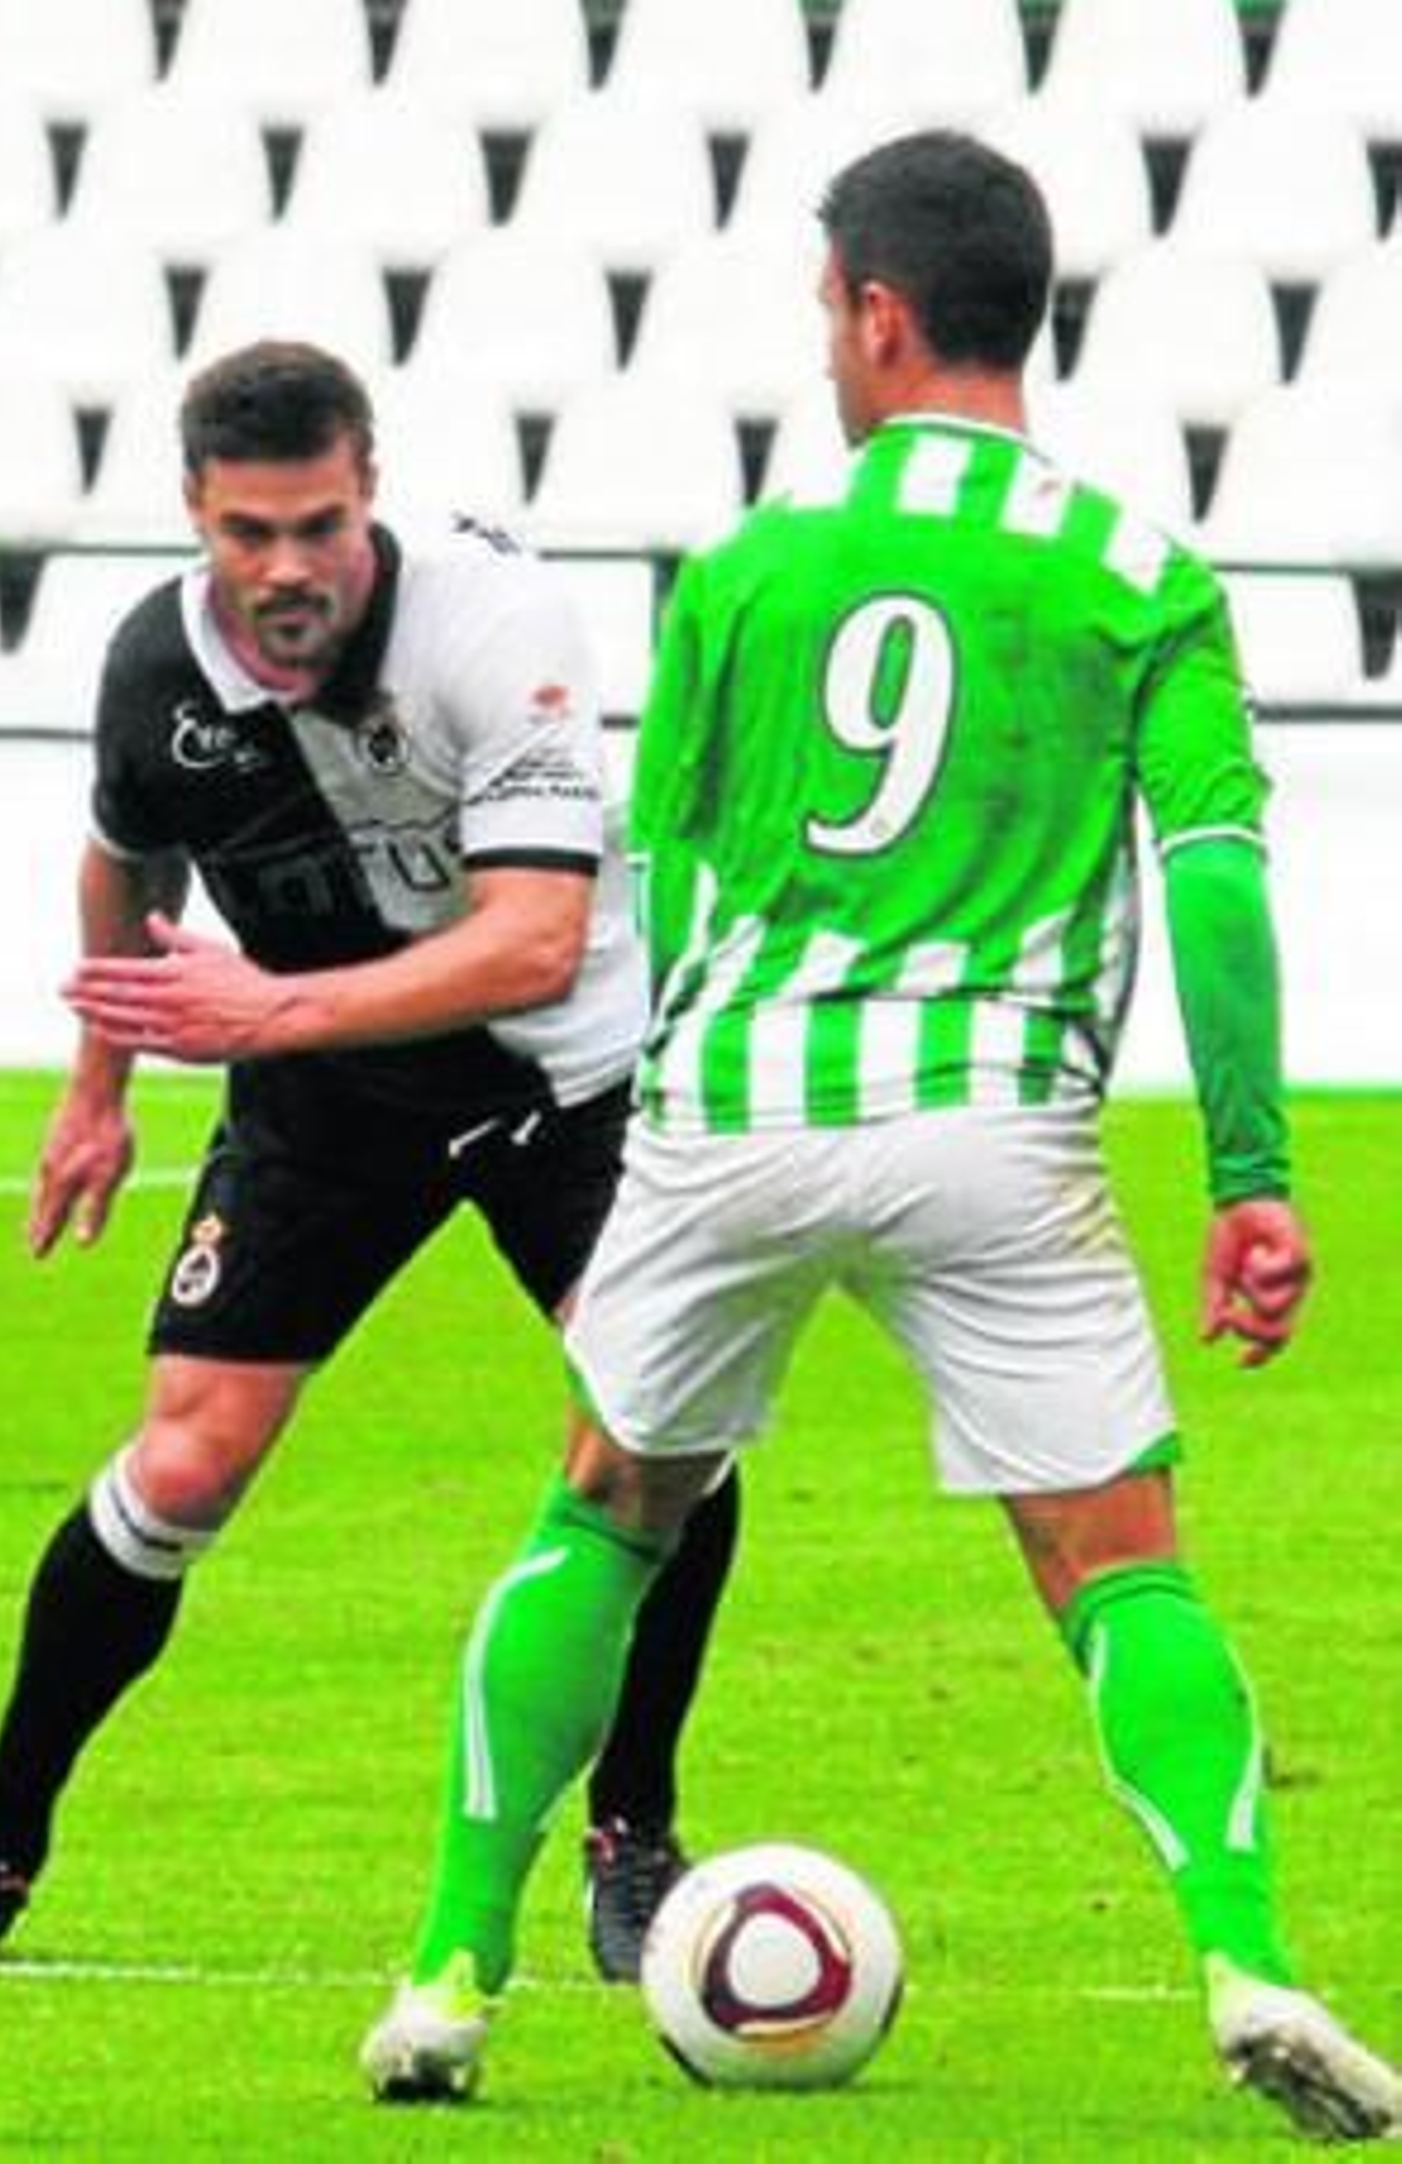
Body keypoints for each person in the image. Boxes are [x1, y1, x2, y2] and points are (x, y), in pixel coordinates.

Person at [360, 133, 1402, 2142]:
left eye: (826, 312)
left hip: (737, 1098)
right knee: (1118, 1567)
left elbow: (665, 867)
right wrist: (1251, 1175)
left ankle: (445, 1976)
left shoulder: (747, 568)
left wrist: (678, 1098)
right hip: (990, 1118)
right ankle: (1247, 1956)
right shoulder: (1136, 577)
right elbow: (1211, 878)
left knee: (602, 1511)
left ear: (878, 310)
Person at [0, 340, 738, 1981]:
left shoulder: (494, 623)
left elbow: (536, 940)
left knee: (655, 1431)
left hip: (560, 1077)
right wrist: (98, 1089)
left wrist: (268, 1011)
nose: (288, 570)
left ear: (371, 494)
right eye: (249, 533)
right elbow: (124, 862)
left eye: (321, 527)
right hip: (328, 1090)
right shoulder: (158, 668)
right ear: (195, 512)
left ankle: (633, 1829)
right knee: (184, 1464)